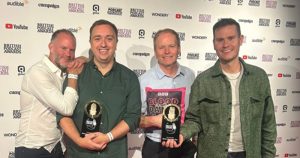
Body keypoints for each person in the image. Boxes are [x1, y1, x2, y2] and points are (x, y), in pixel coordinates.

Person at [162, 18, 277, 158]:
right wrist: (181, 134)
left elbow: (268, 124)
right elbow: (194, 119)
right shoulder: (202, 81)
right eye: (220, 40)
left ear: (240, 39)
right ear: (214, 44)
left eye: (231, 38)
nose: (225, 44)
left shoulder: (259, 77)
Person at [57, 19, 141, 158]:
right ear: (90, 43)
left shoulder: (129, 77)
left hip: (114, 154)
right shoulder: (75, 73)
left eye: (109, 38)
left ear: (116, 43)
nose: (103, 44)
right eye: (97, 38)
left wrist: (108, 137)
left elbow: (133, 117)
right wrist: (80, 140)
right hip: (78, 153)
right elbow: (63, 114)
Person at [15, 29, 85, 158]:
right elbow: (67, 108)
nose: (68, 54)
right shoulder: (38, 73)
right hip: (33, 149)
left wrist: (84, 59)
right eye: (63, 48)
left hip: (56, 148)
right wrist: (73, 75)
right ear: (51, 47)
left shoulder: (62, 73)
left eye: (72, 50)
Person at [139, 28, 196, 158]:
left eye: (172, 46)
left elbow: (195, 115)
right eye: (161, 47)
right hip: (155, 147)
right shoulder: (143, 81)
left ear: (179, 49)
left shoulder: (190, 76)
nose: (167, 51)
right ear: (155, 51)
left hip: (184, 144)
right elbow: (133, 120)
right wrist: (153, 120)